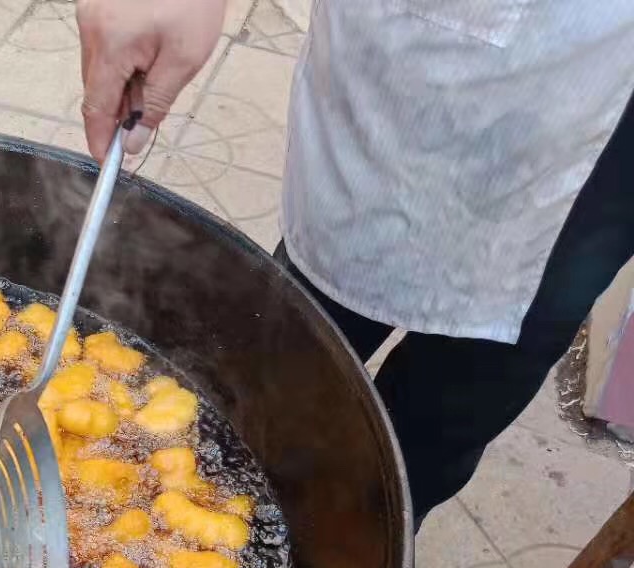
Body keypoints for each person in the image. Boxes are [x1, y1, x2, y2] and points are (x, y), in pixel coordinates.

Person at [75, 0, 634, 525]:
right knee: (286, 368)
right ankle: (227, 496)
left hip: (611, 130)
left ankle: (352, 560)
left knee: (449, 415)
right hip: (417, 69)